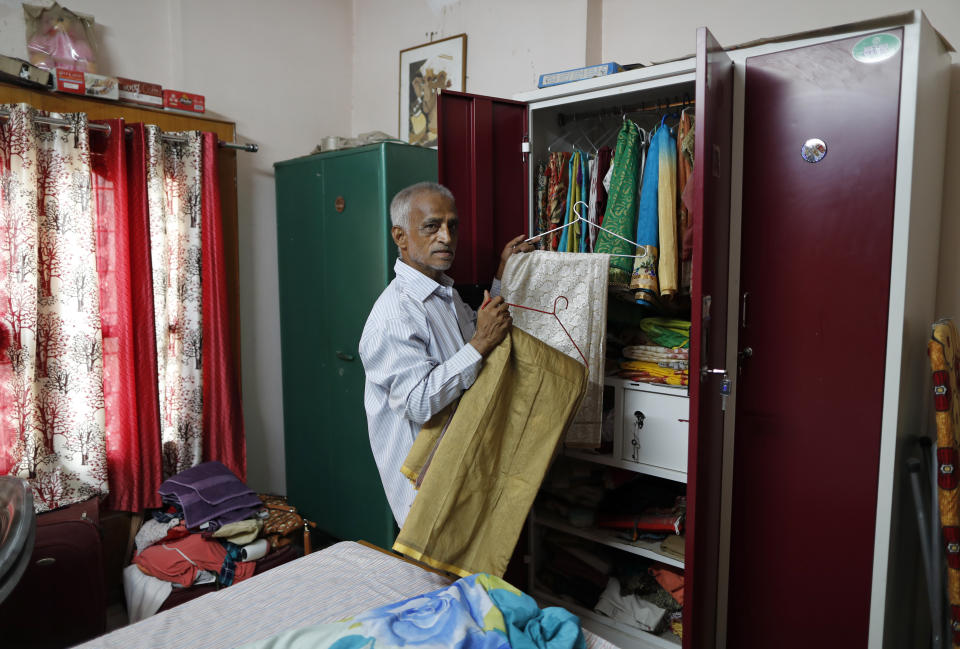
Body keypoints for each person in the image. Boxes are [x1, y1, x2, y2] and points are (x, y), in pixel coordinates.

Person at [359, 182, 535, 526]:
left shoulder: (443, 293)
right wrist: (479, 343)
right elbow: (419, 401)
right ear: (400, 236)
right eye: (431, 226)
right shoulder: (395, 315)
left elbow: (476, 331)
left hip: (462, 469)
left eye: (452, 225)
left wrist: (501, 276)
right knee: (437, 578)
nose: (446, 236)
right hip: (426, 493)